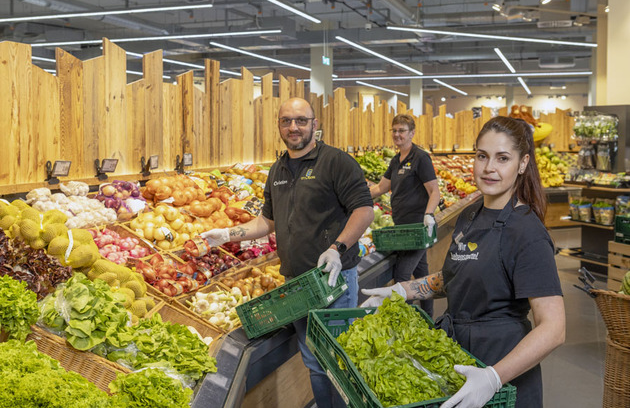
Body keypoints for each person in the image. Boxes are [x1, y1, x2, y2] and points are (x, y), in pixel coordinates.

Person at [362, 116, 566, 408]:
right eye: (482, 156)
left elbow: (554, 328)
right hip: (459, 356)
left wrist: (493, 377)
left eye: (503, 158)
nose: (489, 168)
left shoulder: (527, 233)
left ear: (522, 164)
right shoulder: (470, 216)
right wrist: (404, 290)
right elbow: (457, 274)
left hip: (502, 365)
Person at [202, 97, 374, 408]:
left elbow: (364, 210)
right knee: (314, 362)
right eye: (286, 121)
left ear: (314, 125)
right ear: (279, 126)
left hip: (332, 279)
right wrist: (228, 234)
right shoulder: (278, 169)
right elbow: (267, 221)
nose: (293, 127)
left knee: (337, 361)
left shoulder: (336, 162)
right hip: (296, 283)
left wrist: (337, 248)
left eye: (300, 120)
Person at [369, 114, 440, 317]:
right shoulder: (396, 160)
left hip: (417, 229)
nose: (397, 134)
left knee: (401, 275)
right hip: (402, 229)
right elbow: (382, 187)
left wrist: (429, 215)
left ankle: (404, 320)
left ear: (412, 133)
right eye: (394, 130)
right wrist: (358, 196)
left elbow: (435, 191)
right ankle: (430, 318)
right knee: (421, 274)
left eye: (402, 130)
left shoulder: (420, 158)